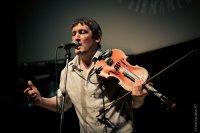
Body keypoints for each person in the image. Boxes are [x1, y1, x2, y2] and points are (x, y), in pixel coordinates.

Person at [24, 17, 148, 133]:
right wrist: (40, 100)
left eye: (82, 32)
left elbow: (135, 104)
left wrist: (139, 97)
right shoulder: (67, 72)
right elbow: (62, 104)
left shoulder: (113, 63)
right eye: (73, 34)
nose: (76, 38)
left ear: (97, 38)